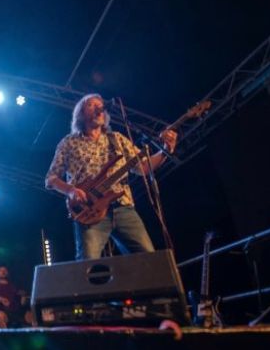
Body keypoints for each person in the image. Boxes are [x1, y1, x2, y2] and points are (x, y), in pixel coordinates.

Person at [45, 94, 177, 260]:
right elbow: (51, 179)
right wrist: (71, 191)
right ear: (81, 113)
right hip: (89, 209)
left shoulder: (117, 138)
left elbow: (143, 168)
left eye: (100, 105)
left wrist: (165, 150)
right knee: (88, 264)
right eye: (91, 105)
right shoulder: (69, 142)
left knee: (148, 259)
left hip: (123, 207)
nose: (99, 108)